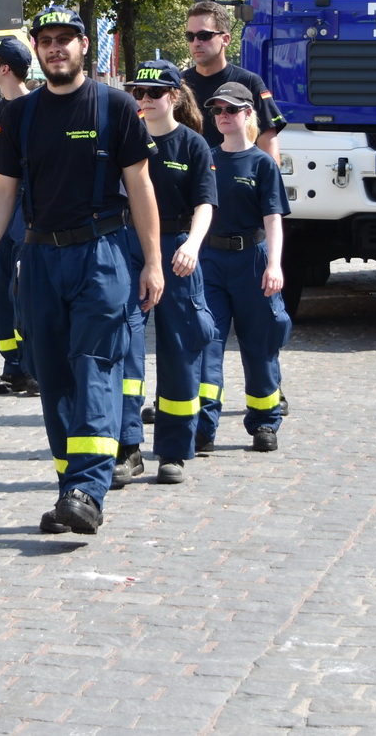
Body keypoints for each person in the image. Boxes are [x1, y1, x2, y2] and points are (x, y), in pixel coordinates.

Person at [0, 5, 162, 537]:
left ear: (85, 45)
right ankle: (71, 492)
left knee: (95, 368)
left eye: (66, 39)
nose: (56, 47)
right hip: (37, 257)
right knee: (53, 376)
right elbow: (2, 192)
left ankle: (88, 486)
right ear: (36, 49)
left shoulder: (117, 108)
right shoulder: (20, 114)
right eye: (46, 40)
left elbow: (141, 188)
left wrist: (152, 261)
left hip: (101, 255)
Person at [117, 61, 216, 486]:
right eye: (139, 93)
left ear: (174, 96)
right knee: (124, 349)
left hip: (177, 250)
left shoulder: (194, 145)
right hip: (128, 246)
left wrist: (192, 245)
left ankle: (174, 450)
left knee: (179, 350)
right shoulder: (125, 139)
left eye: (154, 93)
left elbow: (205, 204)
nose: (144, 100)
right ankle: (127, 447)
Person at [195, 82, 292, 453]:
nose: (223, 117)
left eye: (231, 110)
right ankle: (203, 426)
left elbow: (273, 219)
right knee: (208, 344)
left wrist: (274, 264)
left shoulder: (262, 163)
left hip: (252, 261)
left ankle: (265, 422)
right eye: (218, 111)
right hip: (211, 262)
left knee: (259, 344)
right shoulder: (206, 157)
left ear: (249, 114)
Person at [0, 37, 35, 396]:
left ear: (6, 69)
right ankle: (12, 366)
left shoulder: (36, 107)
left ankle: (33, 364)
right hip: (1, 206)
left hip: (29, 208)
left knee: (24, 289)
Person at [182, 0, 284, 162]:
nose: (196, 43)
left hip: (237, 181)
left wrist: (271, 183)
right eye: (190, 36)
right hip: (192, 183)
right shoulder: (180, 85)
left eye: (204, 36)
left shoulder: (249, 82)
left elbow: (268, 145)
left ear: (226, 39)